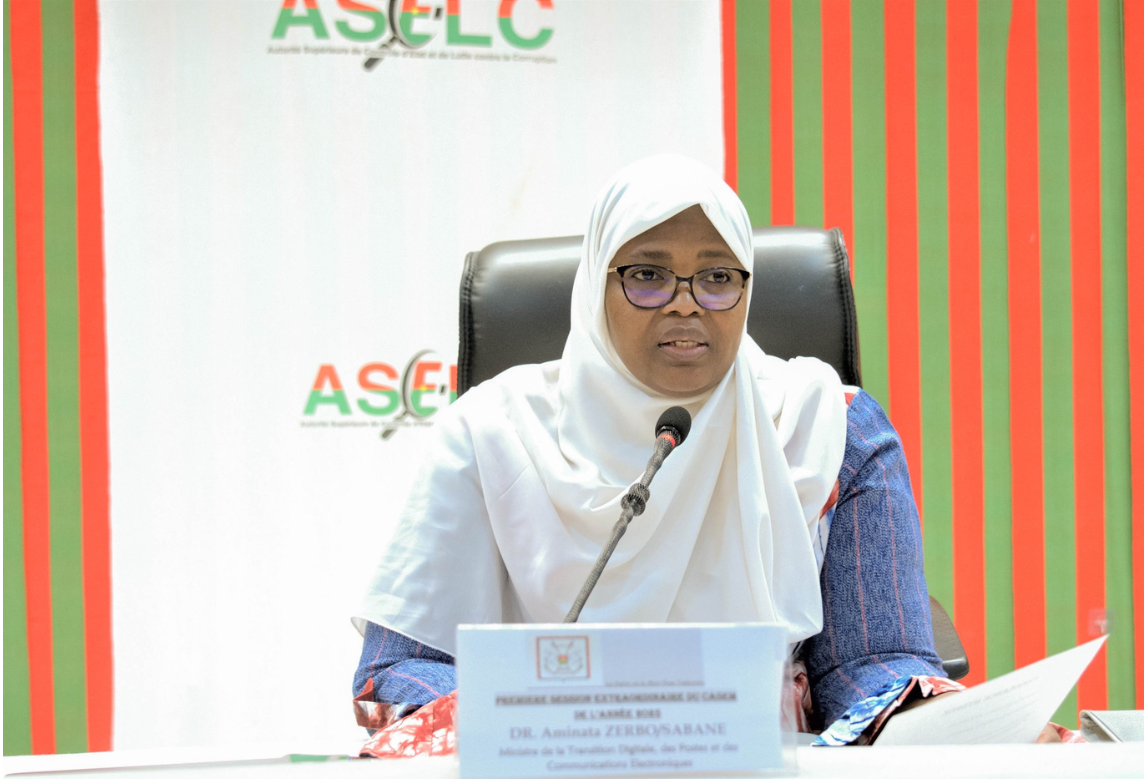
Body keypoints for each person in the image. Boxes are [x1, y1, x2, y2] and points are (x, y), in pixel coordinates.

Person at [351, 154, 951, 746]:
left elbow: (872, 662)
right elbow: (402, 667)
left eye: (718, 278)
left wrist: (931, 721)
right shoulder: (491, 432)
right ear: (597, 286)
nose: (685, 302)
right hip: (549, 771)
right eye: (647, 275)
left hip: (762, 774)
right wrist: (523, 727)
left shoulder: (827, 426)